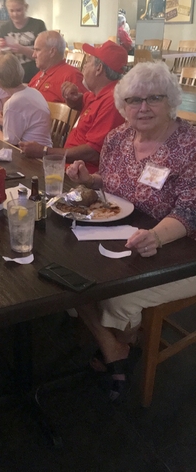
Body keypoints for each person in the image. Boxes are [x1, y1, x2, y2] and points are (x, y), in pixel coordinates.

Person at [67, 61, 196, 402]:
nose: (142, 108)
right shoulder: (118, 138)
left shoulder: (190, 144)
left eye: (153, 98)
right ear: (123, 106)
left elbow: (190, 212)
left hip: (182, 248)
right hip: (125, 234)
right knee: (67, 271)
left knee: (116, 294)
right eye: (133, 101)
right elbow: (112, 185)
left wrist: (156, 236)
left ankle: (120, 344)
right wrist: (90, 181)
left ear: (170, 101)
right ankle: (115, 347)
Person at [20, 41, 127, 173]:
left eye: (88, 62)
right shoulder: (98, 93)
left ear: (98, 69)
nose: (84, 66)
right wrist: (72, 98)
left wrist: (44, 151)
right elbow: (81, 102)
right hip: (68, 167)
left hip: (83, 176)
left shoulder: (112, 101)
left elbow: (92, 152)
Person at [0, 52, 52, 146]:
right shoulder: (34, 92)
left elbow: (9, 144)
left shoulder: (13, 103)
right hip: (45, 149)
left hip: (31, 155)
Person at [0, 0, 46, 83]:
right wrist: (1, 49)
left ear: (25, 7)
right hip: (11, 78)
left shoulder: (38, 25)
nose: (15, 14)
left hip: (35, 77)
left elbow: (44, 57)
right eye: (11, 11)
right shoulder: (4, 28)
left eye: (19, 10)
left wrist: (22, 49)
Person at [28, 31, 86, 102]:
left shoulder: (71, 75)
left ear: (52, 52)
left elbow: (82, 107)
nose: (33, 55)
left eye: (37, 50)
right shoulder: (40, 74)